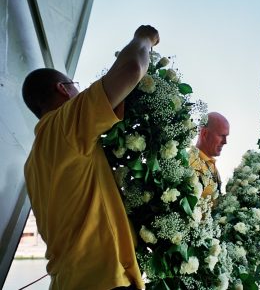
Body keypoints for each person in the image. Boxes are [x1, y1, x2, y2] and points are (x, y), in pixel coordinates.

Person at [22, 25, 159, 290]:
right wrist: (145, 38)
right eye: (74, 87)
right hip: (103, 279)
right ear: (63, 89)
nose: (79, 93)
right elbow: (131, 70)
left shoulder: (33, 162)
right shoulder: (65, 124)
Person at [190, 112, 230, 199]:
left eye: (226, 136)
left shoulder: (211, 164)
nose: (225, 142)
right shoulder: (189, 163)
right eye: (221, 135)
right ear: (204, 134)